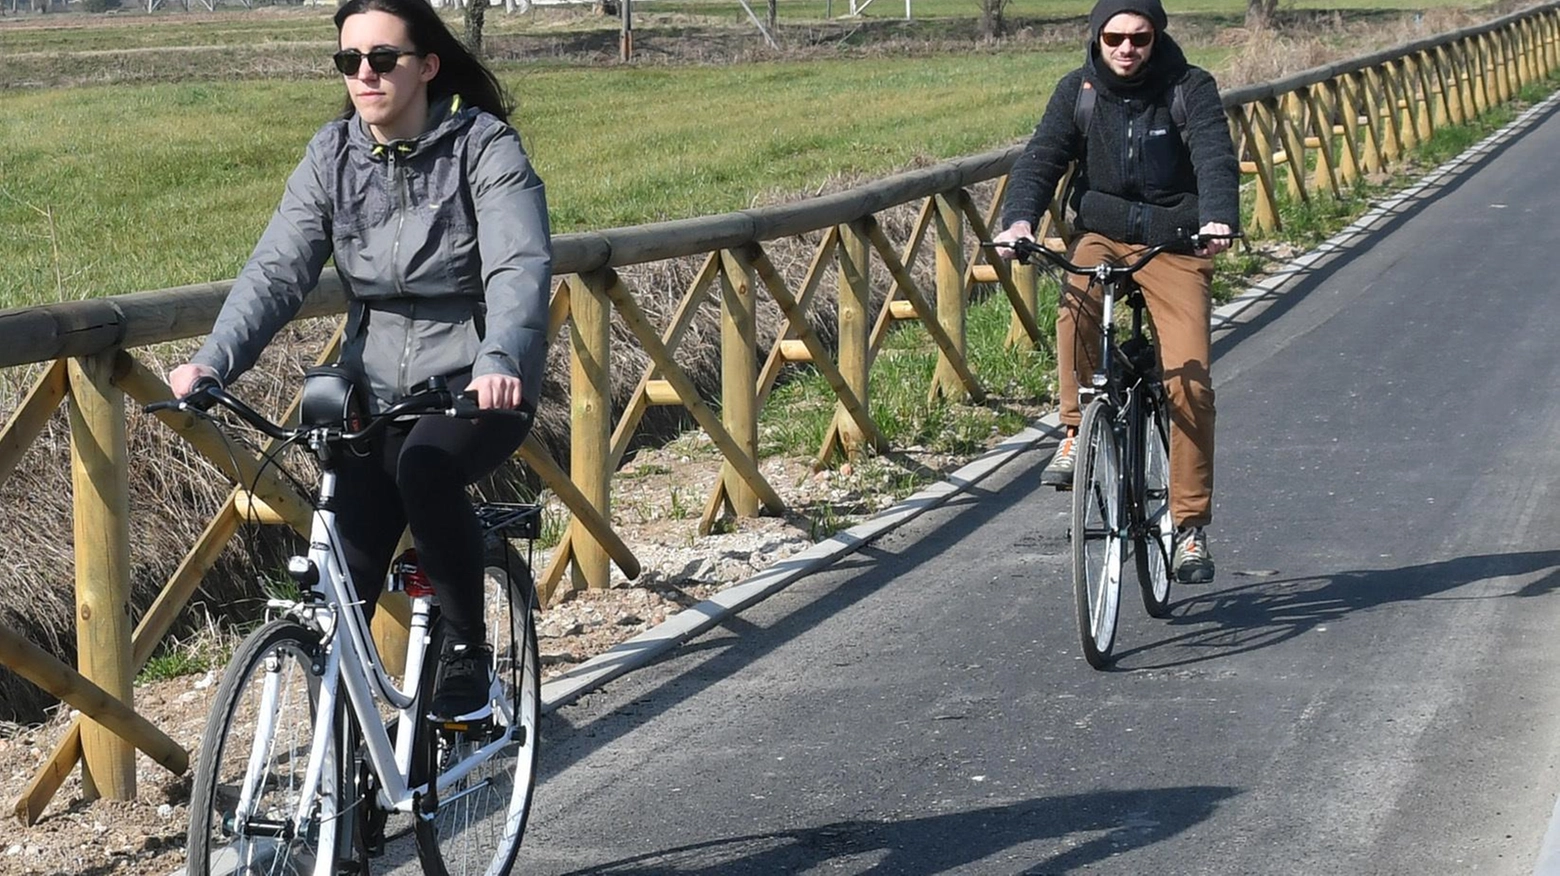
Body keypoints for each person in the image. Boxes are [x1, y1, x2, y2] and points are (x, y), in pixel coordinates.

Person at [168, 0, 552, 721]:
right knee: (341, 579)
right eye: (350, 61)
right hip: (373, 390)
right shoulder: (334, 156)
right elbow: (277, 272)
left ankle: (469, 652)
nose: (364, 75)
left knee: (425, 467)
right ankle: (347, 794)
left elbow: (517, 266)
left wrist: (500, 358)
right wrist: (213, 361)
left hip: (476, 384)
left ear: (428, 66)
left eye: (383, 59)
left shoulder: (483, 147)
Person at [993, 0, 1238, 584]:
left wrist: (1219, 219)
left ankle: (1189, 527)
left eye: (1139, 38)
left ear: (1156, 38)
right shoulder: (1076, 91)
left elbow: (1213, 157)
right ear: (1096, 39)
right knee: (1074, 304)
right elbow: (1042, 157)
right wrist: (1021, 219)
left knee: (1189, 381)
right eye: (1114, 39)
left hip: (1176, 240)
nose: (1126, 50)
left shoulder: (1190, 86)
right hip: (1100, 231)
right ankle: (1077, 430)